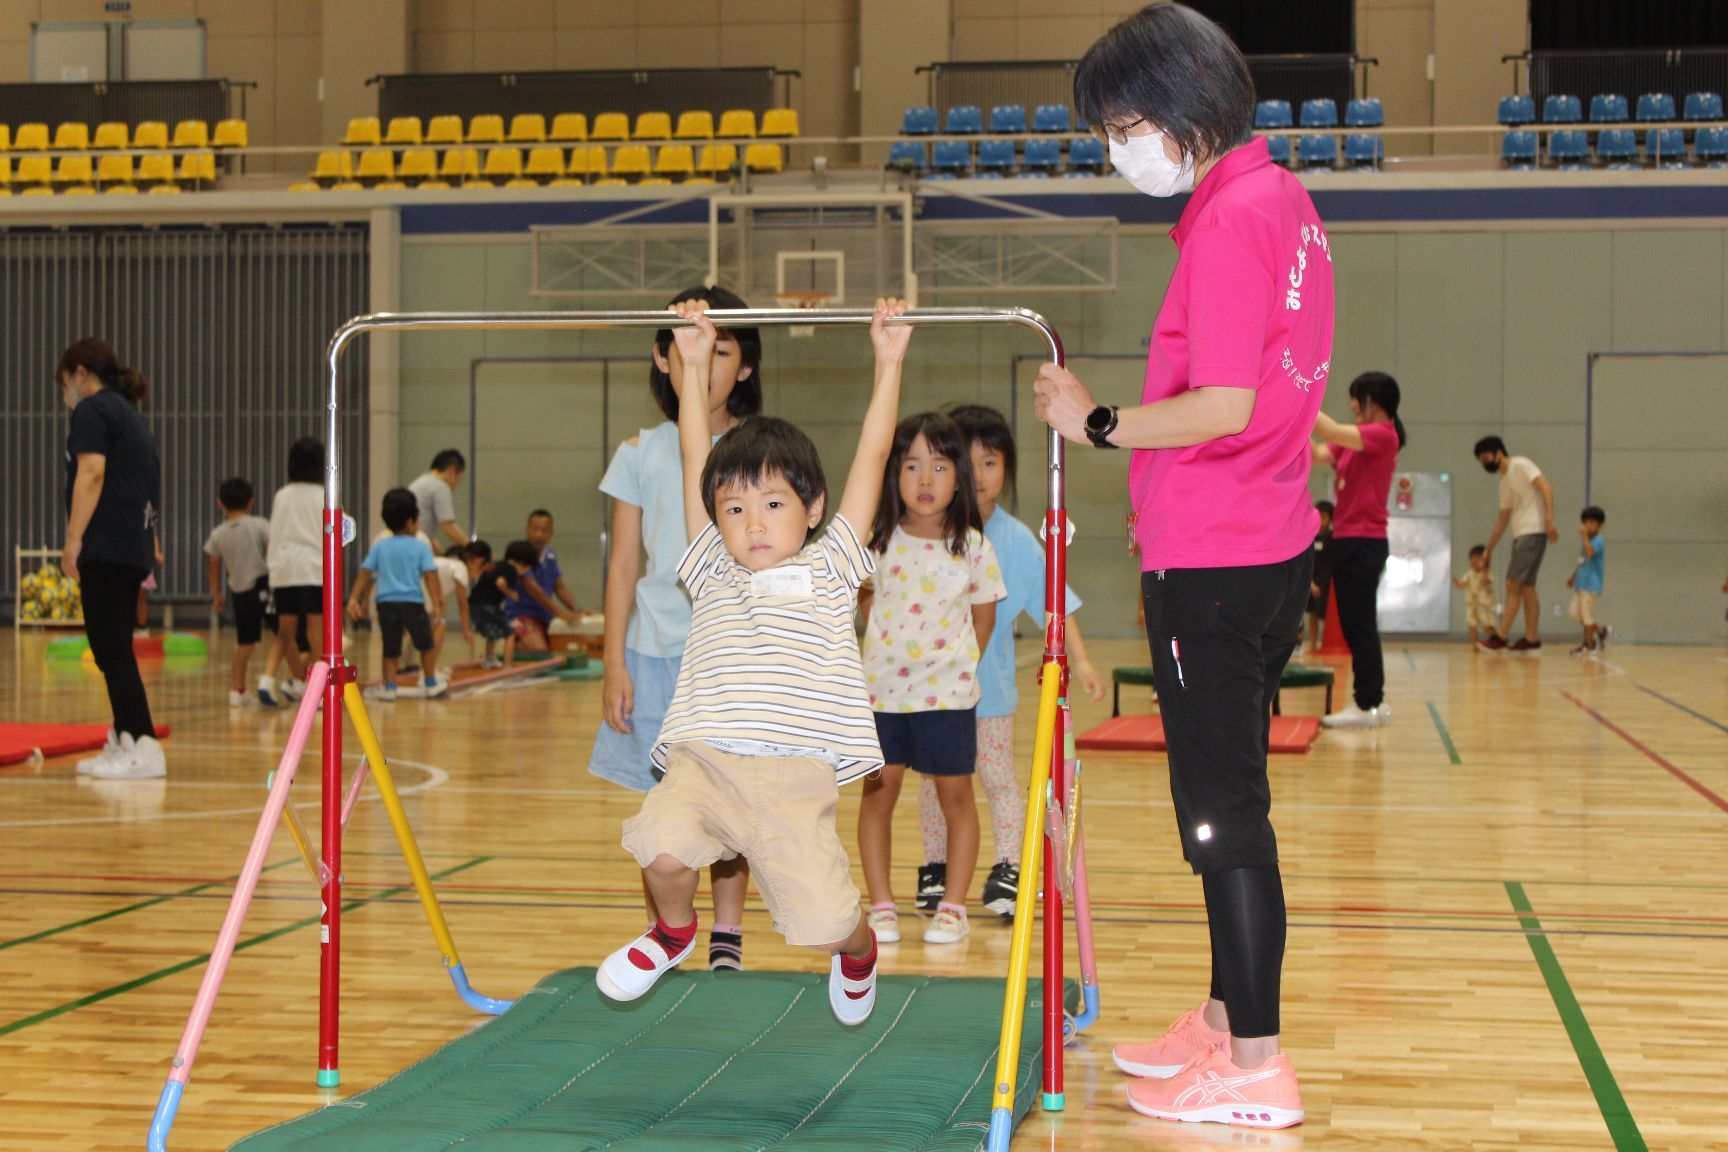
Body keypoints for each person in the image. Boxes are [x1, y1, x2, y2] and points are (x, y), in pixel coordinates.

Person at [1034, 4, 1331, 1127]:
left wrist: (1097, 422)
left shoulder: (1227, 223)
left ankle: (1256, 1064)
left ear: (1182, 112)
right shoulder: (1284, 203)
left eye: (1121, 125)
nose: (1117, 149)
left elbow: (1222, 402)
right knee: (1230, 802)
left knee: (1223, 819)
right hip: (1255, 542)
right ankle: (1221, 1019)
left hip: (1220, 559)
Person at [597, 298, 911, 1028]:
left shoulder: (832, 563)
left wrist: (888, 362)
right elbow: (692, 453)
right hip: (705, 762)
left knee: (823, 925)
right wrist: (694, 362)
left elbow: (872, 454)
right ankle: (674, 932)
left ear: (813, 508)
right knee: (662, 852)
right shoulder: (710, 567)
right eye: (734, 509)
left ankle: (858, 952)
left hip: (792, 778)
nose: (754, 523)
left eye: (773, 504)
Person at [590, 285, 763, 972]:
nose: (707, 358)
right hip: (653, 654)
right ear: (663, 357)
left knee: (732, 800)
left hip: (730, 658)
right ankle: (666, 931)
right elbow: (625, 562)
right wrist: (613, 663)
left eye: (722, 347)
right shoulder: (638, 451)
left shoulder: (758, 449)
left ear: (745, 365)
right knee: (662, 809)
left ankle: (727, 935)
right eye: (690, 343)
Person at [910, 404, 1104, 921]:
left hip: (989, 694)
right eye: (965, 463)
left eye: (990, 463)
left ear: (1007, 470)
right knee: (933, 782)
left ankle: (1009, 868)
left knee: (997, 778)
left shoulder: (1016, 541)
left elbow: (1055, 603)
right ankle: (935, 866)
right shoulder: (925, 529)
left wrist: (1080, 662)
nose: (978, 476)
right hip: (931, 693)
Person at [857, 412, 1006, 947]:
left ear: (957, 478)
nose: (924, 480)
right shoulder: (879, 541)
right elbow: (864, 598)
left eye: (939, 467)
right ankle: (880, 903)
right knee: (880, 793)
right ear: (893, 474)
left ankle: (953, 906)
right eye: (912, 466)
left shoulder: (972, 546)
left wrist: (962, 665)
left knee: (955, 797)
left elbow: (983, 614)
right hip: (884, 694)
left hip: (947, 697)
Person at [58, 338, 166, 780]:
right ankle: (126, 737)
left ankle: (142, 743)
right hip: (131, 546)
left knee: (111, 650)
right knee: (114, 649)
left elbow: (93, 472)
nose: (65, 392)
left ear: (81, 373)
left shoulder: (93, 410)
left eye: (65, 381)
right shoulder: (129, 415)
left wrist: (73, 539)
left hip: (107, 546)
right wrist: (151, 539)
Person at [1312, 371, 1406, 728]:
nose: (1352, 404)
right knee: (1357, 624)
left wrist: (1300, 400)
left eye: (1358, 397)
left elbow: (1332, 431)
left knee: (1360, 625)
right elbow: (1320, 452)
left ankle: (1367, 702)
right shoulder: (1354, 444)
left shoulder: (1384, 435)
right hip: (1349, 539)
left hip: (1364, 541)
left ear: (1375, 401)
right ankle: (1370, 701)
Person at [347, 488, 446, 702]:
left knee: (390, 647)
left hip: (386, 603)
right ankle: (430, 682)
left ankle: (390, 687)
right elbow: (430, 575)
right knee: (425, 644)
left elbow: (365, 572)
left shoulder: (380, 546)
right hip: (413, 602)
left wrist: (355, 597)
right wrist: (437, 603)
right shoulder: (420, 547)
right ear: (411, 521)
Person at [1474, 435, 1558, 651]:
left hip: (1533, 530)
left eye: (1485, 457)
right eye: (1481, 461)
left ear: (1497, 452)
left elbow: (1546, 487)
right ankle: (1532, 639)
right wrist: (1489, 550)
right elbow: (1502, 519)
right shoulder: (1504, 483)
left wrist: (1549, 519)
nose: (1484, 463)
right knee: (1527, 588)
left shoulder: (1521, 464)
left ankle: (1500, 637)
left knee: (1512, 584)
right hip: (1521, 534)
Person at [259, 438, 325, 708]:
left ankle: (266, 679)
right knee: (316, 632)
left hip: (283, 570)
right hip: (312, 569)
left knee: (285, 632)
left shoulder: (282, 495)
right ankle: (317, 689)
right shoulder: (324, 494)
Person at [204, 477, 271, 708]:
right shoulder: (260, 525)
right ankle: (299, 681)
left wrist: (216, 594)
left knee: (245, 642)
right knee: (284, 634)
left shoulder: (218, 533)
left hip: (238, 591)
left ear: (220, 503)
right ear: (251, 502)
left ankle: (237, 690)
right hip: (263, 586)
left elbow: (213, 566)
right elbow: (271, 554)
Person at [505, 508, 584, 653]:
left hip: (546, 616)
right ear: (527, 530)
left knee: (565, 647)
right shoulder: (519, 553)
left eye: (544, 530)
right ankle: (511, 647)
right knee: (539, 649)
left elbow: (559, 587)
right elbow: (532, 588)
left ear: (551, 533)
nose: (539, 535)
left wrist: (577, 609)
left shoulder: (550, 555)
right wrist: (560, 613)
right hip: (521, 614)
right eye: (535, 530)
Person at [470, 540, 535, 667]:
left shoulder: (497, 565)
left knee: (492, 632)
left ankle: (489, 660)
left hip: (474, 605)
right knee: (510, 632)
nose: (526, 572)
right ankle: (508, 664)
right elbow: (500, 582)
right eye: (527, 568)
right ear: (522, 564)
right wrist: (512, 594)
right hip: (487, 605)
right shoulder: (511, 571)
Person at [1566, 506, 1609, 655]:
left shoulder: (1598, 540)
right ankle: (1601, 632)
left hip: (1591, 585)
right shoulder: (1586, 542)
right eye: (1586, 522)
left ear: (1599, 525)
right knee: (1575, 613)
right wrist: (1573, 576)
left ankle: (1589, 645)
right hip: (1580, 583)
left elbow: (1590, 552)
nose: (1588, 526)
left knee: (1587, 616)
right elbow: (1582, 559)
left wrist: (1584, 538)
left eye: (1592, 523)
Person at [409, 449, 469, 551]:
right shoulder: (440, 487)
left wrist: (442, 555)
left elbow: (428, 535)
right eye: (459, 478)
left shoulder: (422, 482)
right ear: (452, 471)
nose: (457, 484)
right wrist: (474, 549)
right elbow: (449, 527)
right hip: (415, 545)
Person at [1453, 545, 1496, 647]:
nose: (1474, 561)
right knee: (1472, 625)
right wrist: (1457, 582)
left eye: (1478, 559)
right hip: (1472, 606)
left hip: (1484, 606)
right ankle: (1475, 644)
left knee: (1487, 627)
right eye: (1472, 559)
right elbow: (1462, 584)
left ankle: (1495, 638)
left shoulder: (1487, 573)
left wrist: (1483, 570)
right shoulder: (1469, 574)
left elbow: (1487, 582)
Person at [1305, 500, 1334, 651]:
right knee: (1312, 614)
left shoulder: (1332, 538)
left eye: (1325, 517)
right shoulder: (1309, 537)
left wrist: (1322, 584)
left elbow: (1330, 564)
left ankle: (1327, 643)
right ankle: (1313, 643)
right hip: (1312, 581)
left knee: (1325, 614)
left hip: (1326, 582)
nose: (1322, 520)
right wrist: (1311, 584)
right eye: (1319, 516)